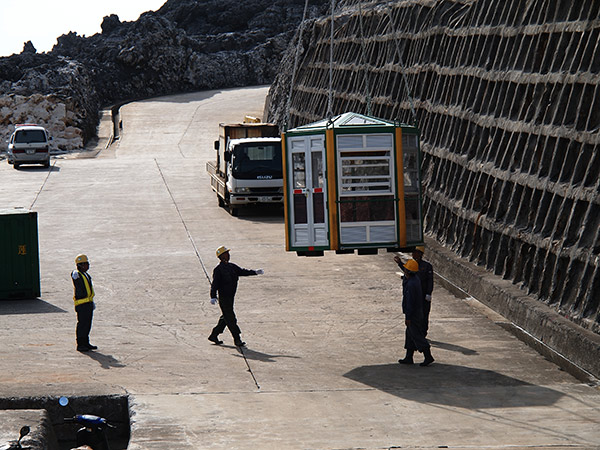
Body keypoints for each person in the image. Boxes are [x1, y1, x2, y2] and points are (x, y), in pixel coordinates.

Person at [208, 246, 263, 347]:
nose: (228, 255)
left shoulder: (232, 267)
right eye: (226, 254)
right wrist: (213, 296)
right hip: (224, 298)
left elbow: (242, 271)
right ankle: (237, 339)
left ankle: (214, 335)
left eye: (228, 253)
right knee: (231, 318)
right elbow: (214, 284)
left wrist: (255, 272)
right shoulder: (218, 270)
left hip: (231, 297)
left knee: (226, 317)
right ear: (221, 256)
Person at [393, 257, 434, 366]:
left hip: (413, 314)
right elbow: (407, 270)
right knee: (409, 334)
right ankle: (409, 357)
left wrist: (408, 317)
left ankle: (428, 355)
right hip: (417, 312)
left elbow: (410, 303)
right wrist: (400, 264)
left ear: (408, 272)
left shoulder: (411, 285)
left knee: (416, 335)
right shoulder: (414, 278)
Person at [71, 254, 97, 352]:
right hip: (81, 304)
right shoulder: (77, 275)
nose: (88, 265)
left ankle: (86, 342)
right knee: (82, 324)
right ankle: (80, 344)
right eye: (86, 264)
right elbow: (74, 277)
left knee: (87, 324)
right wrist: (74, 272)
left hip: (88, 303)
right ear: (80, 265)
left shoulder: (86, 275)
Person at [412, 245, 434, 337]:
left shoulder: (427, 266)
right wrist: (399, 263)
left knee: (424, 315)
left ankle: (423, 333)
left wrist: (428, 293)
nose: (413, 254)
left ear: (420, 254)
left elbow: (430, 281)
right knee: (415, 316)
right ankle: (417, 333)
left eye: (415, 252)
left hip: (424, 295)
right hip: (415, 296)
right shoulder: (411, 264)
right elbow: (406, 271)